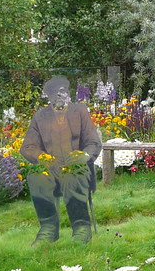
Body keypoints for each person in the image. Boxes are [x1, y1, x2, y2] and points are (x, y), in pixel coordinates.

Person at [20, 76, 102, 243]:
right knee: (36, 176)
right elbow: (28, 146)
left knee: (72, 176)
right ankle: (48, 229)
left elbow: (93, 142)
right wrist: (42, 157)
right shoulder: (40, 116)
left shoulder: (80, 111)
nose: (58, 95)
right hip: (51, 167)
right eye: (53, 92)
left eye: (62, 91)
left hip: (76, 166)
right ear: (48, 96)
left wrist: (84, 156)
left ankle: (81, 228)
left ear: (68, 93)